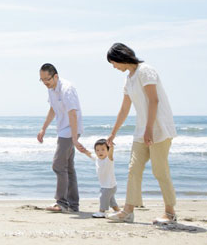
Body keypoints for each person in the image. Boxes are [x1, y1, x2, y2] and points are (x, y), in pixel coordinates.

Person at [104, 43, 177, 224]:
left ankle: (170, 212)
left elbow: (154, 100)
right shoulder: (129, 79)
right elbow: (124, 108)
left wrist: (149, 129)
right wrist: (113, 133)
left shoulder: (146, 71)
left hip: (158, 129)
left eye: (113, 63)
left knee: (160, 171)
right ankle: (128, 211)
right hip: (142, 130)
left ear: (121, 58)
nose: (114, 67)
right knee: (133, 169)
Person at [37, 63, 86, 213]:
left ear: (56, 76)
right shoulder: (52, 90)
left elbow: (72, 113)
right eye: (42, 80)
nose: (45, 82)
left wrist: (74, 138)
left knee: (58, 165)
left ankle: (61, 202)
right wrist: (43, 128)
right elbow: (53, 109)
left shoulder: (67, 89)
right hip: (63, 131)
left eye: (48, 79)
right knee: (68, 168)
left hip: (70, 130)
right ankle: (73, 204)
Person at [81, 139, 120, 218]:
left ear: (107, 150)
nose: (100, 152)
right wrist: (84, 151)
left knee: (103, 197)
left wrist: (111, 147)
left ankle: (102, 211)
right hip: (107, 185)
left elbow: (111, 154)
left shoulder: (108, 159)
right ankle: (117, 210)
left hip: (109, 186)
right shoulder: (97, 159)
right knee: (111, 200)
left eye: (103, 149)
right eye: (97, 150)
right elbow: (90, 155)